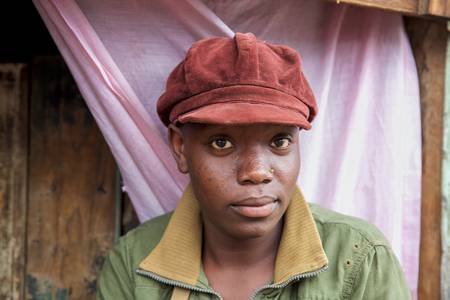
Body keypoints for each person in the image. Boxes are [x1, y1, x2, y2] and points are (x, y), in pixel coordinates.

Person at [96, 32, 410, 300]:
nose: (257, 171)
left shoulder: (360, 259)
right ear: (181, 148)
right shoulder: (134, 265)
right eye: (222, 142)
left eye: (280, 141)